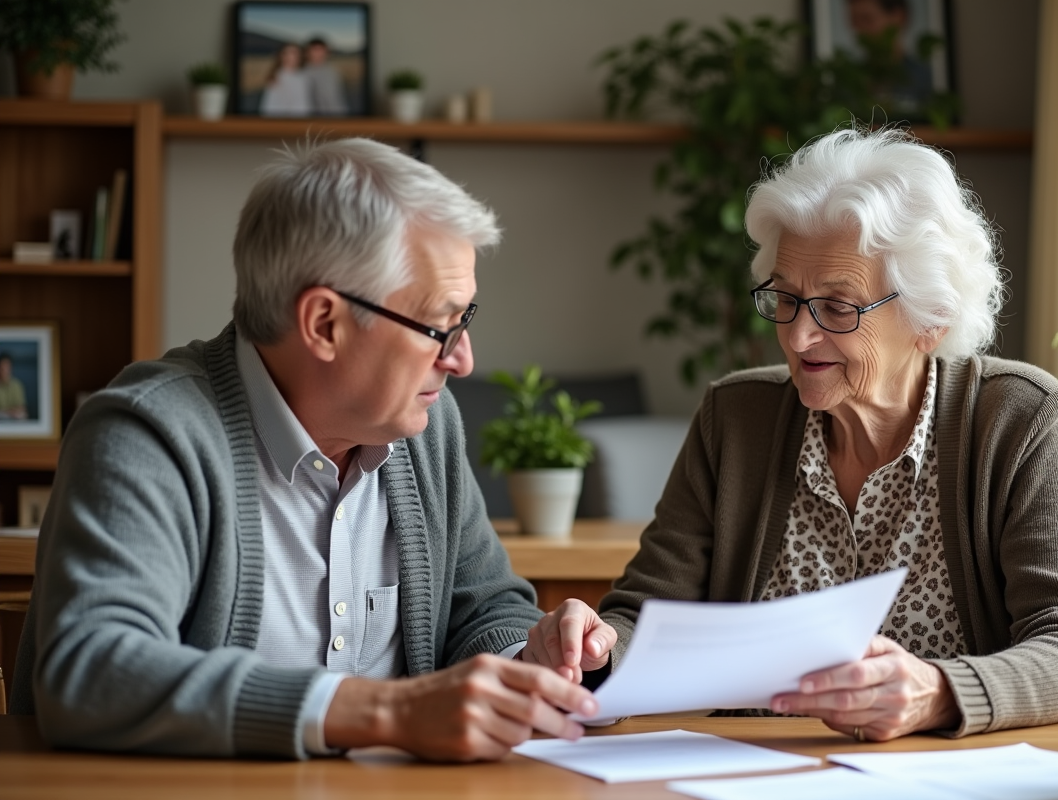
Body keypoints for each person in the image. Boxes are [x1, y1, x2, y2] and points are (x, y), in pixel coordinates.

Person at [12, 138, 616, 761]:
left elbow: (484, 608)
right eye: (441, 326)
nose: (462, 360)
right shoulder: (149, 434)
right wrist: (387, 711)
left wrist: (531, 653)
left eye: (467, 321)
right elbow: (90, 671)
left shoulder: (425, 430)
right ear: (324, 323)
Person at [543, 127, 1058, 741]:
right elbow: (647, 613)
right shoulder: (736, 417)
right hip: (744, 775)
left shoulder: (1016, 418)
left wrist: (941, 692)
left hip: (937, 779)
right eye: (787, 299)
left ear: (931, 318)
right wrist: (597, 647)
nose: (798, 337)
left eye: (839, 307)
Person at [260, 42, 311, 117]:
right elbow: (270, 109)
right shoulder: (276, 79)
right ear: (282, 56)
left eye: (295, 53)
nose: (292, 56)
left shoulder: (303, 76)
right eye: (288, 53)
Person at [304, 37, 349, 116]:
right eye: (315, 50)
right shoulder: (302, 72)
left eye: (321, 50)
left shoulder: (333, 73)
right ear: (307, 52)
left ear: (326, 52)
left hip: (332, 119)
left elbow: (337, 99)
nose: (318, 53)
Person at [0, 352, 28, 420]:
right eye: (2, 367)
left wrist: (7, 411)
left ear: (10, 368)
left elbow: (21, 407)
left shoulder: (17, 385)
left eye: (7, 367)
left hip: (13, 415)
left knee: (22, 415)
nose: (4, 370)